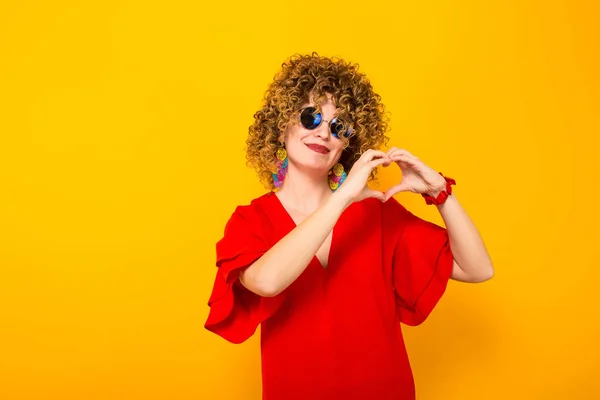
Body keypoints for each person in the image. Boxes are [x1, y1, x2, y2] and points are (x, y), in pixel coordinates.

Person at [204, 52, 494, 400]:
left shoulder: (377, 214)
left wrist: (440, 193)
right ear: (281, 126)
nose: (323, 133)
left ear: (346, 145)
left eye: (338, 127)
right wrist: (342, 198)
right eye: (311, 117)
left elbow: (477, 268)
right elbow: (265, 282)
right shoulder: (250, 221)